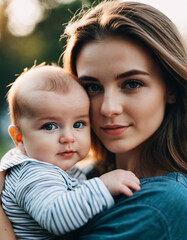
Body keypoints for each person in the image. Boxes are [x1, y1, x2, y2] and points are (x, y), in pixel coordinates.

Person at [1, 0, 187, 239]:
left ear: (170, 89)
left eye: (132, 84)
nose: (109, 108)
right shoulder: (80, 176)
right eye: (92, 87)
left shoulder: (163, 204)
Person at [0, 64, 140, 239]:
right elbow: (55, 217)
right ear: (19, 138)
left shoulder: (50, 165)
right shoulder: (33, 172)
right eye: (50, 126)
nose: (68, 137)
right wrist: (102, 187)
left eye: (78, 124)